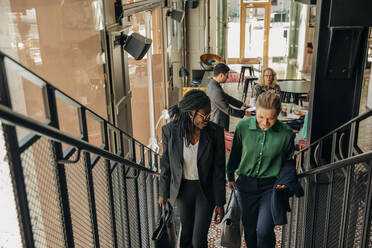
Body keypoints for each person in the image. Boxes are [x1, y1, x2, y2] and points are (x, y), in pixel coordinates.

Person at [158, 89, 226, 248]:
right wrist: (163, 191)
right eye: (204, 115)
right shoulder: (170, 131)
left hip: (205, 190)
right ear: (190, 113)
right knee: (186, 235)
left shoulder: (215, 132)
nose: (208, 119)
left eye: (210, 114)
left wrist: (220, 202)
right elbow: (166, 163)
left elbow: (219, 169)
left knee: (198, 240)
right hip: (183, 190)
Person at [226, 91, 295, 248]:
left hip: (270, 187)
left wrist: (286, 181)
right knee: (250, 230)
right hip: (245, 185)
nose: (265, 122)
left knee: (263, 231)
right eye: (260, 117)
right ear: (255, 111)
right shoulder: (243, 127)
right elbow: (235, 153)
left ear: (278, 114)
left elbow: (288, 162)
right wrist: (230, 175)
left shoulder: (286, 134)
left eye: (271, 118)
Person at [207, 63, 250, 131]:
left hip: (217, 120)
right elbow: (229, 110)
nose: (227, 78)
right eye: (226, 76)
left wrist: (242, 104)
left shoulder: (212, 84)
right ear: (221, 75)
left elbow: (226, 96)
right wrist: (244, 113)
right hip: (218, 123)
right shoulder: (216, 91)